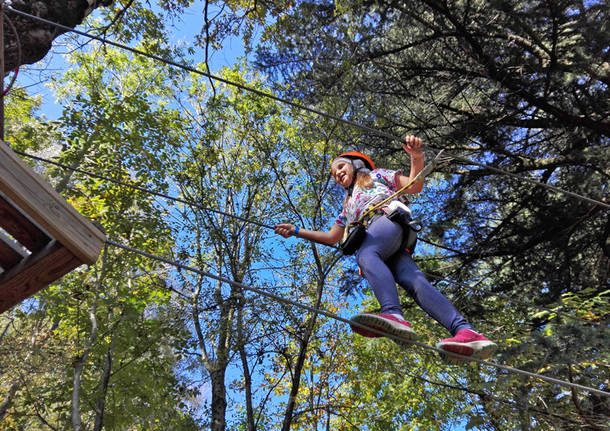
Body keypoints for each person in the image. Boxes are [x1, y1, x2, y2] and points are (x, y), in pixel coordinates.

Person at [274, 136, 497, 362]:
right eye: (334, 174)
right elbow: (332, 237)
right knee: (415, 282)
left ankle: (392, 313)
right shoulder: (347, 206)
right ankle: (466, 332)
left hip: (387, 222)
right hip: (389, 243)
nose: (338, 174)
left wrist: (416, 157)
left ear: (355, 163)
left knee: (366, 255)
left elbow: (414, 184)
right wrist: (296, 231)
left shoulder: (376, 176)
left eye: (340, 166)